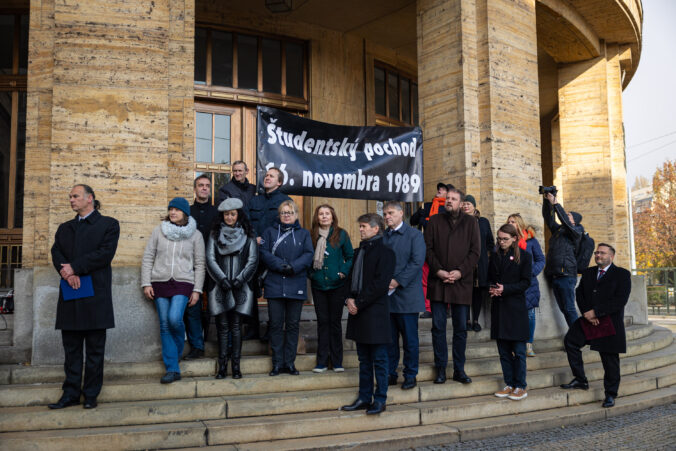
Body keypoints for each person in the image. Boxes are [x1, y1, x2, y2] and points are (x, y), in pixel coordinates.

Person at [48, 185, 120, 410]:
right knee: (71, 350)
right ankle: (69, 393)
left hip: (96, 296)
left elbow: (105, 254)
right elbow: (56, 252)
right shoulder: (65, 228)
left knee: (95, 351)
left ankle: (90, 394)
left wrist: (75, 268)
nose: (71, 200)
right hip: (71, 293)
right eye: (70, 196)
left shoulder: (109, 224)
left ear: (90, 198)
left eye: (75, 196)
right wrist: (66, 273)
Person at [141, 197, 205, 384]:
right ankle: (172, 368)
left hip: (184, 283)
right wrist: (146, 283)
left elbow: (200, 264)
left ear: (185, 213)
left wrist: (197, 290)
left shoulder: (196, 235)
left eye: (177, 210)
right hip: (159, 281)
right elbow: (148, 257)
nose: (173, 213)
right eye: (171, 209)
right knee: (164, 324)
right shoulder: (158, 231)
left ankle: (174, 352)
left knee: (174, 319)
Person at [560, 243, 631, 408]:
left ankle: (611, 394)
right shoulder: (588, 272)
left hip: (609, 322)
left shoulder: (622, 274)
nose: (598, 255)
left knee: (610, 360)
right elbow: (579, 294)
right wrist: (587, 313)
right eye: (597, 252)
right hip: (588, 320)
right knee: (570, 341)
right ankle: (580, 379)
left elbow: (620, 300)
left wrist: (597, 312)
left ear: (611, 256)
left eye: (602, 253)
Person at [341, 213, 396, 415]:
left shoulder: (386, 252)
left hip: (375, 313)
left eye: (364, 226)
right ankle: (364, 397)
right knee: (363, 360)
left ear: (376, 229)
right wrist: (348, 299)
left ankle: (380, 399)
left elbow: (380, 285)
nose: (361, 229)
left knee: (380, 360)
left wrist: (359, 303)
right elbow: (349, 279)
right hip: (359, 313)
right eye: (360, 226)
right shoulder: (358, 252)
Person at [424, 187, 480, 385]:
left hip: (461, 284)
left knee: (460, 329)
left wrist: (460, 272)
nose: (449, 201)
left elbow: (475, 252)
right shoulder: (434, 221)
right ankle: (440, 369)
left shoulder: (471, 223)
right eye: (447, 198)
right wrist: (439, 271)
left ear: (461, 203)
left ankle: (459, 369)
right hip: (438, 282)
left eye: (453, 199)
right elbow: (428, 249)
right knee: (438, 327)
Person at [205, 198, 258, 379]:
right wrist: (221, 279)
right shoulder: (214, 234)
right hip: (220, 286)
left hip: (240, 287)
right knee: (222, 327)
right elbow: (210, 259)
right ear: (222, 215)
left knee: (236, 327)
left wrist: (240, 279)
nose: (229, 217)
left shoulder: (248, 235)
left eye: (233, 214)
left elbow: (252, 260)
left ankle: (236, 366)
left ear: (238, 215)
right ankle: (222, 367)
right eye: (226, 214)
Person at [260, 200, 313, 376]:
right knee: (275, 325)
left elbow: (308, 254)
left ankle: (289, 363)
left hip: (296, 283)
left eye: (290, 212)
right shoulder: (269, 232)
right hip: (275, 284)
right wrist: (280, 265)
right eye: (283, 212)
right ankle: (277, 363)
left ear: (296, 215)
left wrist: (294, 266)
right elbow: (264, 252)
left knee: (292, 325)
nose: (287, 215)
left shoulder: (304, 234)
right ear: (279, 215)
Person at [244, 167, 292, 340]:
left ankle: (272, 330)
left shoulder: (285, 202)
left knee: (273, 293)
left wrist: (267, 240)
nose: (267, 178)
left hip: (274, 255)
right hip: (254, 254)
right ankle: (252, 329)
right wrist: (254, 236)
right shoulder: (254, 201)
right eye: (266, 175)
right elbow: (245, 222)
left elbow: (289, 227)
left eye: (271, 176)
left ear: (279, 182)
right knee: (250, 291)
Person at [382, 201, 426, 390]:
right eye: (384, 214)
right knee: (389, 340)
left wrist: (397, 281)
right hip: (387, 298)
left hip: (407, 297)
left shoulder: (414, 235)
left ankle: (410, 374)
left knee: (410, 341)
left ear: (401, 214)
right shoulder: (382, 236)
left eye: (390, 213)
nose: (387, 217)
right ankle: (391, 373)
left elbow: (417, 262)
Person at [489, 224, 533, 401]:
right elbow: (491, 277)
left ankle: (520, 385)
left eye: (505, 239)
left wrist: (505, 289)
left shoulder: (525, 257)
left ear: (515, 238)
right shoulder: (495, 255)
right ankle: (509, 383)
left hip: (515, 308)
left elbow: (525, 282)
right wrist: (493, 289)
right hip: (499, 307)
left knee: (518, 351)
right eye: (499, 238)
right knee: (503, 351)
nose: (501, 242)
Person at [308, 204, 354, 373]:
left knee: (335, 323)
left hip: (337, 285)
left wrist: (342, 272)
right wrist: (311, 274)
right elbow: (306, 256)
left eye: (327, 214)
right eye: (321, 214)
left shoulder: (341, 234)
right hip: (319, 285)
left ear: (333, 216)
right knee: (322, 322)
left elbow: (350, 256)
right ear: (317, 217)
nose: (324, 216)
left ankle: (337, 361)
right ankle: (321, 362)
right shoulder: (311, 234)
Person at [184, 174, 218, 360]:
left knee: (215, 306)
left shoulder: (217, 213)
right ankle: (197, 345)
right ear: (195, 189)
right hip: (190, 267)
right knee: (193, 306)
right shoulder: (186, 213)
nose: (204, 188)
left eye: (207, 185)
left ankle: (216, 343)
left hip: (213, 267)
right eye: (200, 185)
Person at [542, 192, 584, 326]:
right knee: (564, 309)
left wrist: (556, 203)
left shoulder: (577, 231)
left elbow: (565, 221)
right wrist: (546, 201)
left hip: (566, 274)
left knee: (569, 308)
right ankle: (575, 336)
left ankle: (578, 337)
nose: (566, 216)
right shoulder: (560, 230)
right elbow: (548, 219)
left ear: (575, 220)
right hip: (556, 275)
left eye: (569, 215)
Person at [507, 213, 545, 357]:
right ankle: (515, 345)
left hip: (529, 283)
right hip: (512, 283)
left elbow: (541, 260)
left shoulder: (531, 241)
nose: (510, 223)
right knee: (513, 315)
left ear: (519, 224)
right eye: (509, 221)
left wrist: (531, 272)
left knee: (529, 314)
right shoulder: (506, 240)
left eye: (513, 222)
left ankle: (528, 344)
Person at [412, 183, 451, 319]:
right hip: (426, 248)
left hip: (441, 249)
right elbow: (412, 220)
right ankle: (428, 308)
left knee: (443, 279)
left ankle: (445, 307)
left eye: (443, 189)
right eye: (438, 188)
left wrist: (425, 222)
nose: (439, 190)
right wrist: (419, 213)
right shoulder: (427, 206)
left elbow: (442, 228)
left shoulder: (447, 209)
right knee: (425, 279)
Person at [462, 194, 494, 332]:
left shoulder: (483, 222)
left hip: (480, 265)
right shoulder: (459, 221)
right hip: (464, 264)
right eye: (464, 204)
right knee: (464, 293)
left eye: (469, 203)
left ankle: (475, 320)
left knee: (477, 293)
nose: (466, 205)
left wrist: (487, 259)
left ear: (474, 206)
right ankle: (466, 320)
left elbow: (490, 243)